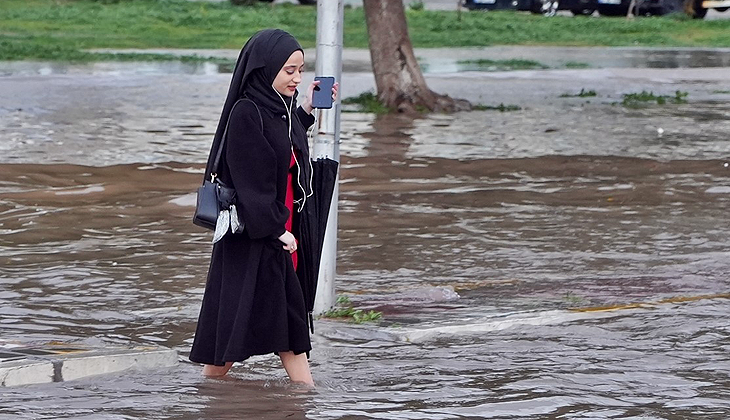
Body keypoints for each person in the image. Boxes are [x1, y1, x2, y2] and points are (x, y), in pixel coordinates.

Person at [189, 29, 338, 386]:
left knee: (250, 337)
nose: (297, 78)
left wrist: (307, 109)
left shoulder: (277, 110)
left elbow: (283, 142)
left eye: (300, 70)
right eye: (289, 70)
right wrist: (277, 232)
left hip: (278, 236)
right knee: (270, 336)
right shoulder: (246, 112)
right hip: (259, 240)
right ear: (265, 68)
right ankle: (309, 399)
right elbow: (250, 184)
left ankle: (206, 396)